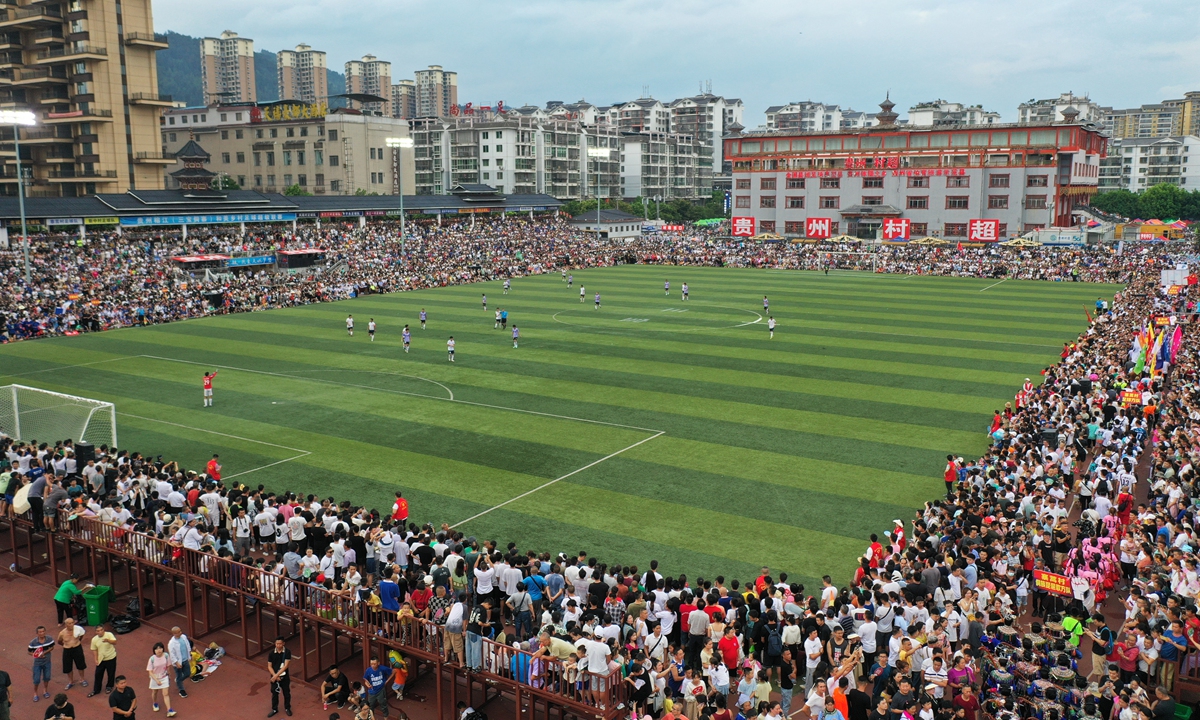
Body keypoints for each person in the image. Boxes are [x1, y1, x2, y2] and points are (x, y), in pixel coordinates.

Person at [145, 642, 174, 717]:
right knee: (155, 692)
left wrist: (169, 674)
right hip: (155, 678)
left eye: (160, 648)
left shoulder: (166, 655)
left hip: (164, 677)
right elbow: (150, 672)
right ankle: (155, 703)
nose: (159, 650)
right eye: (157, 649)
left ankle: (169, 710)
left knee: (166, 693)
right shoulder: (152, 659)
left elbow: (168, 666)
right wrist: (157, 680)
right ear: (154, 650)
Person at [56, 618, 86, 689]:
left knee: (81, 664)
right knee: (67, 666)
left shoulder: (78, 629)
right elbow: (59, 641)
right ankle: (70, 682)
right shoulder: (62, 633)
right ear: (66, 624)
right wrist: (65, 645)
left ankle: (82, 679)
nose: (71, 624)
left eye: (72, 623)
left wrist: (77, 642)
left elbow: (81, 635)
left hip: (77, 648)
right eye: (69, 623)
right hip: (67, 650)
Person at [88, 623, 117, 696]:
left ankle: (109, 686)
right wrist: (95, 659)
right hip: (101, 659)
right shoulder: (94, 639)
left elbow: (115, 642)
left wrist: (108, 640)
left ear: (104, 630)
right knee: (98, 674)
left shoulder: (109, 634)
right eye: (98, 631)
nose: (100, 632)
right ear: (95, 632)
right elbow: (94, 650)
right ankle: (96, 689)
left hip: (111, 657)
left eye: (101, 630)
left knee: (111, 673)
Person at [267, 637, 293, 717]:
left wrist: (276, 675)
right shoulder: (271, 653)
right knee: (274, 693)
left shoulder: (287, 652)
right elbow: (269, 666)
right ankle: (274, 709)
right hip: (274, 677)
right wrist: (275, 676)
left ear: (283, 643)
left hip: (284, 677)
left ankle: (287, 708)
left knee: (286, 693)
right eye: (277, 644)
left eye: (280, 644)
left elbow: (286, 666)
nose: (278, 645)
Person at [29, 625, 54, 701]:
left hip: (47, 662)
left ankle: (45, 691)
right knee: (36, 680)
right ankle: (35, 693)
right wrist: (37, 655)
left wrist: (44, 652)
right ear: (37, 633)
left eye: (43, 631)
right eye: (40, 632)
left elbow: (52, 647)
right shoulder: (33, 642)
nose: (42, 633)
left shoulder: (49, 639)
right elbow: (29, 651)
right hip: (37, 664)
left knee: (47, 677)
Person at [167, 627, 191, 699]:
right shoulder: (171, 643)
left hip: (185, 660)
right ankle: (181, 690)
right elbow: (172, 654)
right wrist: (176, 662)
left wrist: (189, 654)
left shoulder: (184, 637)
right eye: (178, 632)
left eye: (180, 631)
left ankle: (178, 680)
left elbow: (187, 646)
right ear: (174, 634)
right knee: (179, 675)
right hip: (178, 663)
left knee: (188, 673)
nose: (181, 632)